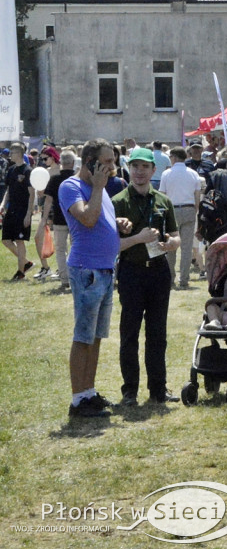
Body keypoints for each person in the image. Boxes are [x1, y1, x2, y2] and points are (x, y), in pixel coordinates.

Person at [60, 138, 125, 418]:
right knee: (83, 336)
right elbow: (86, 218)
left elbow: (99, 218)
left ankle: (89, 392)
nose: (113, 167)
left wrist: (117, 223)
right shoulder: (70, 187)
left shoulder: (102, 189)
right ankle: (77, 400)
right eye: (107, 161)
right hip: (87, 270)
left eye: (113, 160)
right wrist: (98, 187)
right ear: (90, 162)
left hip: (105, 270)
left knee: (96, 337)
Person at [112, 148, 181, 406]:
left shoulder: (163, 201)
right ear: (129, 169)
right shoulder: (118, 202)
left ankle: (158, 389)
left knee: (157, 334)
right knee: (129, 333)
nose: (140, 172)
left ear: (154, 170)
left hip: (159, 272)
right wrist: (137, 239)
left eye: (145, 167)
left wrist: (171, 244)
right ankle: (130, 390)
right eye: (135, 166)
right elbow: (112, 246)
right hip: (131, 272)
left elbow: (175, 235)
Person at [160, 146, 203, 289]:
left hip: (172, 209)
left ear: (174, 157)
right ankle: (184, 279)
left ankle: (170, 278)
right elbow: (197, 194)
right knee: (186, 247)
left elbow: (163, 195)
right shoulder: (193, 173)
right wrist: (195, 209)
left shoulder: (167, 174)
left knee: (171, 245)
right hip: (189, 208)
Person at [1, 142, 36, 280]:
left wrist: (29, 214)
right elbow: (8, 190)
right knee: (5, 240)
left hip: (22, 210)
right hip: (12, 209)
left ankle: (20, 272)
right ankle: (26, 262)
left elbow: (31, 194)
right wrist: (3, 204)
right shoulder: (11, 170)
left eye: (13, 153)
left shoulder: (27, 171)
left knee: (19, 240)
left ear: (20, 154)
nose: (10, 156)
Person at [43, 149, 77, 289]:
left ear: (61, 163)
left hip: (59, 219)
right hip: (76, 219)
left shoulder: (55, 179)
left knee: (60, 250)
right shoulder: (77, 179)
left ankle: (64, 278)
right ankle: (76, 276)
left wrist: (44, 218)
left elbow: (48, 201)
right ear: (73, 163)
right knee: (76, 248)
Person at [32, 146, 61, 279]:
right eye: (41, 159)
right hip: (47, 208)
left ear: (53, 156)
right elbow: (43, 194)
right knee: (38, 237)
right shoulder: (45, 172)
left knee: (61, 240)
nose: (43, 161)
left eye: (45, 158)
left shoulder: (61, 171)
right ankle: (46, 267)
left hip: (59, 208)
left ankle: (62, 268)